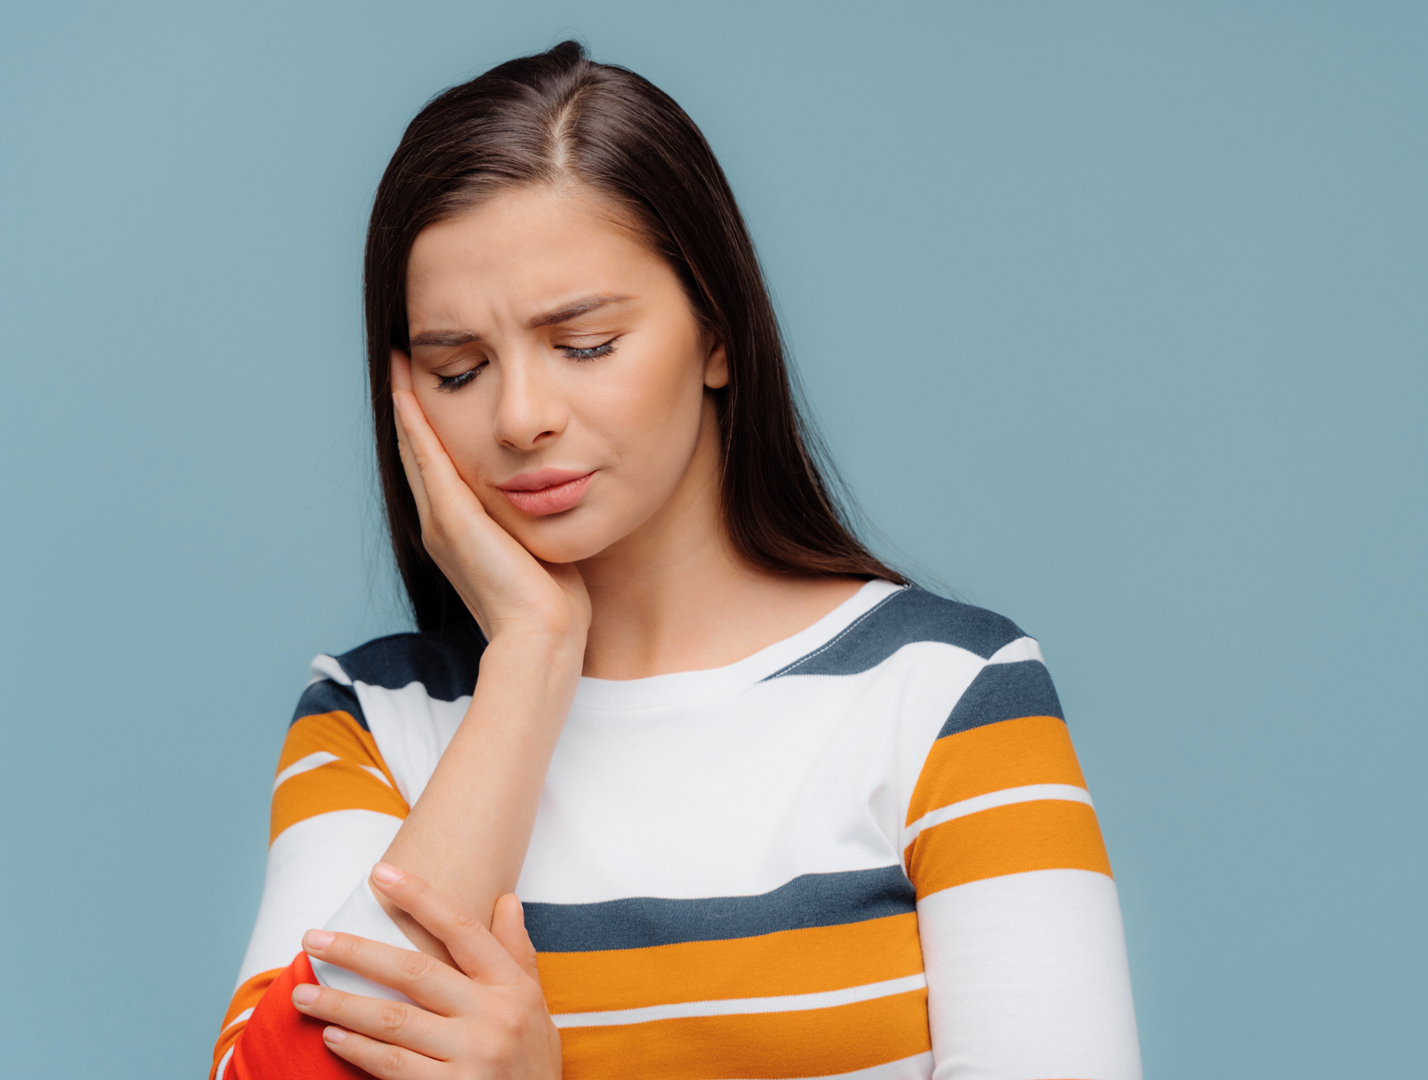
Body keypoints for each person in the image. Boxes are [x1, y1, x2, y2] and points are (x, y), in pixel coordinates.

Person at [210, 41, 1140, 1080]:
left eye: (586, 344)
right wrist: (532, 655)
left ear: (717, 333)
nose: (520, 417)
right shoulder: (374, 720)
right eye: (458, 369)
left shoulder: (945, 698)